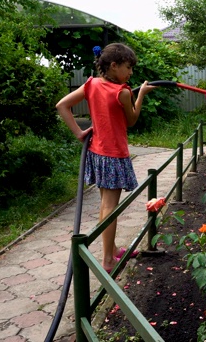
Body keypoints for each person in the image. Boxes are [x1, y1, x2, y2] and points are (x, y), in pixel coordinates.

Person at [56, 43, 156, 273]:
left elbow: (62, 106)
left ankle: (111, 251)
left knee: (105, 206)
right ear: (114, 65)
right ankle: (108, 261)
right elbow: (131, 120)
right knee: (111, 207)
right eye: (128, 67)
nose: (131, 73)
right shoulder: (122, 92)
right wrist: (140, 95)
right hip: (114, 155)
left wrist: (80, 134)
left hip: (97, 153)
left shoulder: (91, 84)